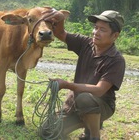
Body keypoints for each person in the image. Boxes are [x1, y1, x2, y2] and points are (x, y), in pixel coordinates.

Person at [45, 9, 125, 140]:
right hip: (75, 103)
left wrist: (66, 85)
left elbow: (99, 91)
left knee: (85, 99)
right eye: (95, 28)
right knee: (48, 131)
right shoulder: (86, 43)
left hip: (101, 105)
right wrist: (60, 19)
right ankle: (88, 122)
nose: (96, 32)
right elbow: (60, 33)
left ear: (115, 36)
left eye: (102, 30)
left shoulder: (116, 60)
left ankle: (93, 135)